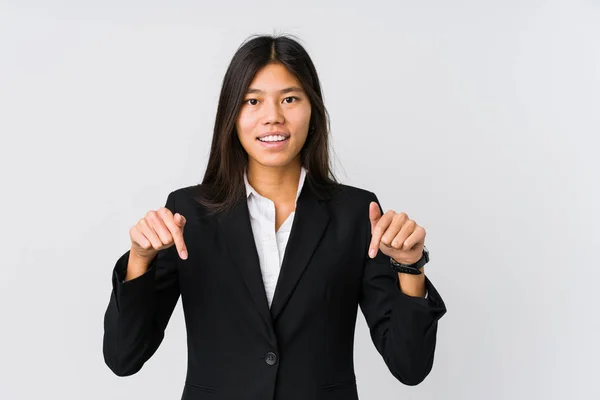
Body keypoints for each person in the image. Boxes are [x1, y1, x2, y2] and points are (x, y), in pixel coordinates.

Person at [103, 34, 447, 400]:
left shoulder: (356, 215)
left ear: (312, 109)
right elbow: (124, 357)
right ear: (231, 115)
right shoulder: (188, 214)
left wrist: (410, 267)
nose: (273, 117)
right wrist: (140, 259)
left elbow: (410, 367)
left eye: (290, 99)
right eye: (253, 101)